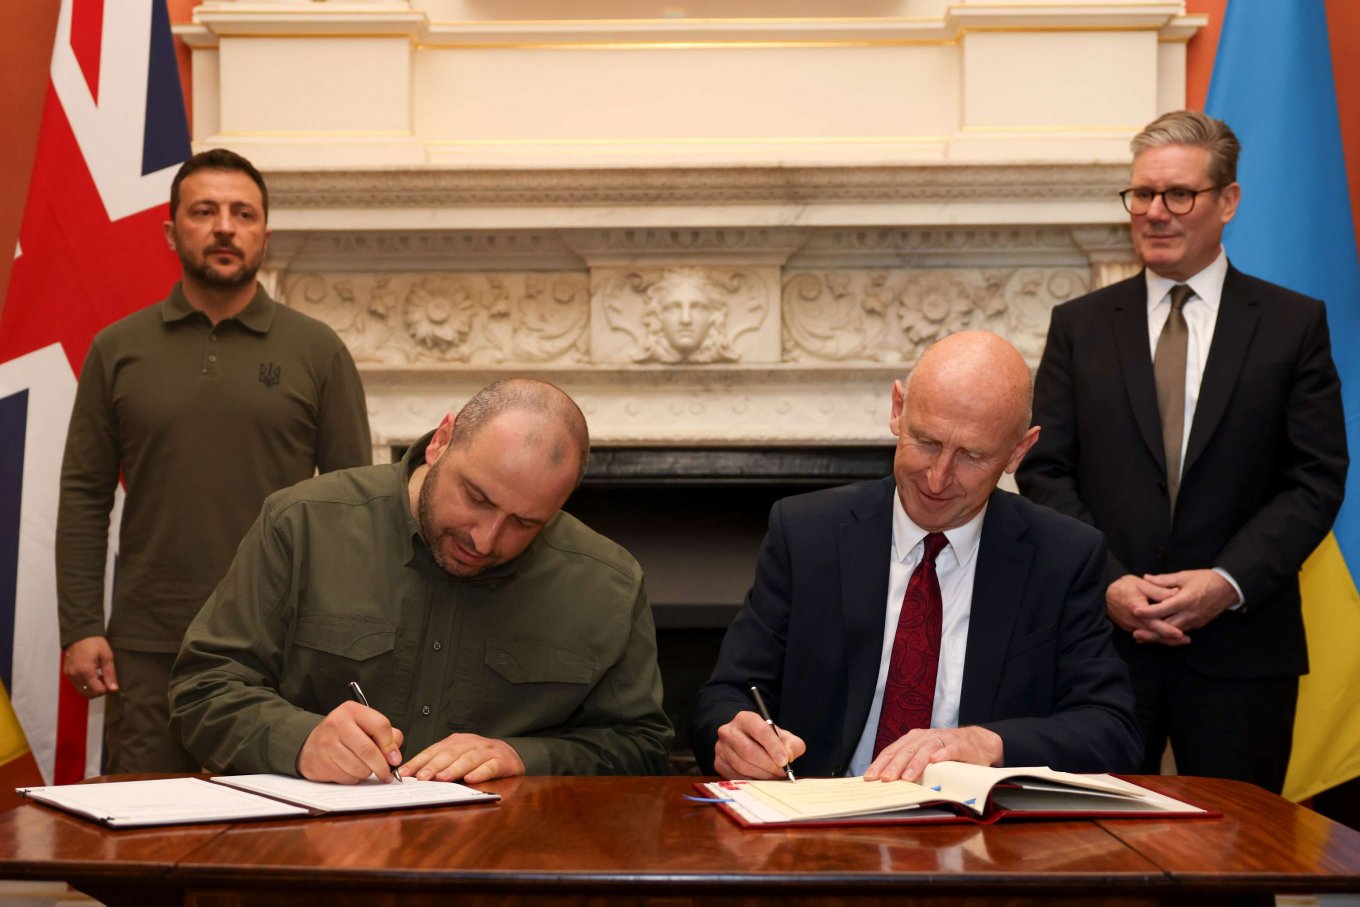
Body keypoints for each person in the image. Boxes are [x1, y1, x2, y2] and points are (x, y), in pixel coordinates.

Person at [1016, 110, 1348, 793]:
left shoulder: (1293, 324)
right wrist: (1107, 581)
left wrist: (1224, 583)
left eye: (1178, 195)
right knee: (1090, 862)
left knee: (1236, 869)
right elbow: (1046, 469)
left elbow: (1314, 480)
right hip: (1098, 649)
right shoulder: (1079, 326)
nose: (1155, 212)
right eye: (1142, 194)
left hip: (1241, 651)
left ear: (1227, 201)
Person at [168, 378, 673, 784]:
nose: (486, 538)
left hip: (501, 869)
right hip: (310, 859)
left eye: (525, 523)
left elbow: (643, 747)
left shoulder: (608, 582)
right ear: (441, 440)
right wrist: (300, 740)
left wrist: (526, 757)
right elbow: (203, 689)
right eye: (477, 497)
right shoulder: (303, 523)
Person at [691, 331, 1141, 782]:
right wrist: (734, 739)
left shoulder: (1062, 556)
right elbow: (727, 695)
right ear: (897, 410)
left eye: (971, 456)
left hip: (981, 836)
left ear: (1018, 451)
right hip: (821, 825)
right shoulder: (807, 532)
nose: (937, 477)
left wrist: (988, 743)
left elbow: (1112, 731)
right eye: (925, 442)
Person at [57, 148, 372, 774]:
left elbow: (355, 512)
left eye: (242, 213)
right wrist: (81, 626)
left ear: (264, 235)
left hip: (278, 647)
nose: (224, 226)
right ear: (173, 232)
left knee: (268, 847)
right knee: (142, 845)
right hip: (148, 648)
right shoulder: (118, 349)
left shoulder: (318, 351)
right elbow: (84, 496)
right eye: (204, 211)